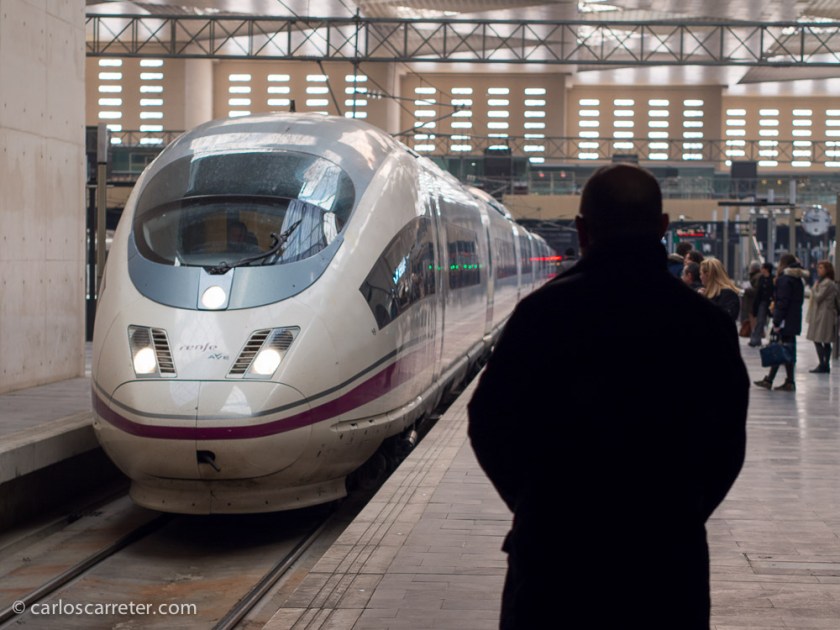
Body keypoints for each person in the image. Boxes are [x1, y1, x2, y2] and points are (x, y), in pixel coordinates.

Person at [467, 164, 748, 630]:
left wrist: (539, 504)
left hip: (554, 563)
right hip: (667, 568)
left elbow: (489, 423)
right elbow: (727, 446)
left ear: (581, 229)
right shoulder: (706, 326)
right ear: (663, 227)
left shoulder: (541, 314)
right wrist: (677, 513)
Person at [754, 253, 808, 391]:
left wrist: (777, 320)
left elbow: (782, 302)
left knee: (782, 348)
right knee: (785, 349)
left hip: (785, 319)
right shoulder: (797, 279)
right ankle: (782, 380)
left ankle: (779, 381)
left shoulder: (785, 279)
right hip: (793, 318)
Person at [805, 260, 840, 373]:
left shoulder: (827, 283)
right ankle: (824, 364)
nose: (818, 270)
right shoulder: (824, 282)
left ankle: (823, 364)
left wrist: (814, 288)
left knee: (821, 339)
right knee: (821, 339)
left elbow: (819, 297)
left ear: (827, 270)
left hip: (825, 315)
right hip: (821, 314)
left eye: (821, 268)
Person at [749, 262, 774, 347]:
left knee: (772, 322)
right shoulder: (761, 278)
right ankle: (756, 339)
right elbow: (758, 292)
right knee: (760, 321)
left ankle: (772, 339)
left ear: (766, 269)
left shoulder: (773, 279)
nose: (761, 269)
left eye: (762, 268)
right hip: (762, 302)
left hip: (771, 303)